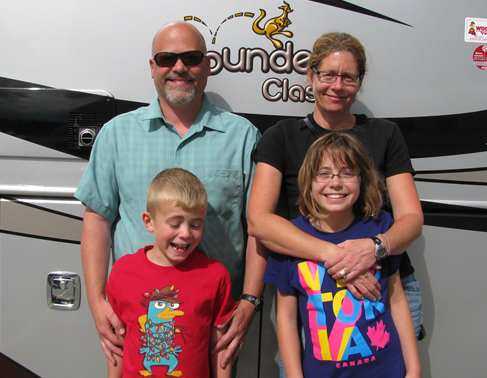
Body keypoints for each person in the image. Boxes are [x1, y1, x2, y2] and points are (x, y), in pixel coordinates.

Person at [75, 21, 262, 370]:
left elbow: (258, 228)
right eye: (166, 58)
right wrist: (97, 301)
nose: (179, 67)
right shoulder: (117, 135)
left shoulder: (243, 137)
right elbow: (97, 220)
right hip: (135, 325)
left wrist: (250, 301)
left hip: (217, 323)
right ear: (152, 67)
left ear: (207, 66)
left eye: (191, 58)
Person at [247, 32, 424, 335]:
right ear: (310, 75)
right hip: (312, 296)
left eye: (348, 78)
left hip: (384, 289)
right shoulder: (281, 137)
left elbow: (412, 219)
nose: (337, 86)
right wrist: (339, 258)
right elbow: (259, 221)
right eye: (328, 74)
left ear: (360, 81)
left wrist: (375, 248)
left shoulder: (386, 134)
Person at [264, 133, 421, 377]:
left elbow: (397, 299)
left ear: (362, 180)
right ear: (308, 180)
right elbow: (286, 316)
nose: (335, 183)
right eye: (323, 173)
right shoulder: (290, 240)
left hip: (386, 369)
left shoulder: (380, 226)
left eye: (347, 173)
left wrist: (413, 369)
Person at [106, 168, 236, 377]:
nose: (185, 233)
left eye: (195, 224)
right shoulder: (123, 272)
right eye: (175, 224)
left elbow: (220, 346)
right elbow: (116, 344)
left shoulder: (215, 276)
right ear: (149, 221)